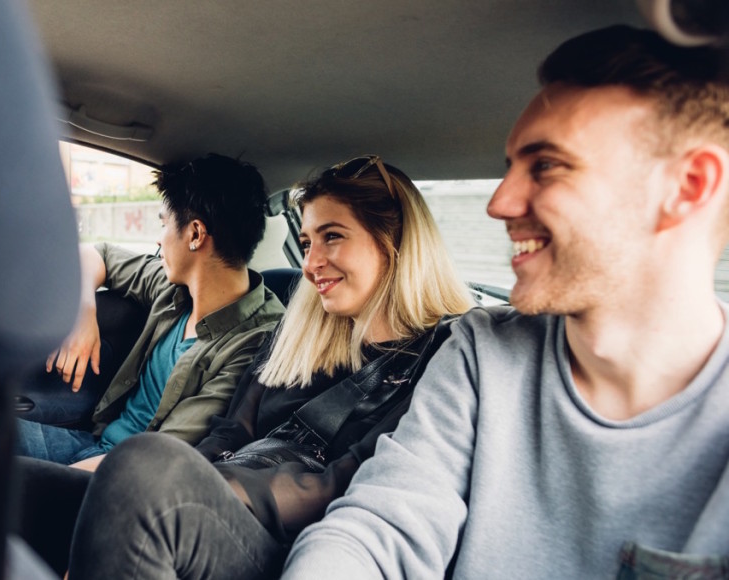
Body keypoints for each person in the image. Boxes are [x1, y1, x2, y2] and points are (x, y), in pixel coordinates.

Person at [283, 25, 729, 579]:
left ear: (688, 187)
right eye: (509, 168)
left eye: (545, 165)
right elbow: (382, 524)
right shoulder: (480, 352)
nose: (500, 202)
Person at [0, 155, 474, 578]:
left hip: (291, 542)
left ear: (395, 242)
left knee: (146, 468)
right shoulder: (298, 337)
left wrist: (206, 485)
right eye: (309, 240)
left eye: (332, 236)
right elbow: (232, 429)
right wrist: (194, 478)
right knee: (0, 481)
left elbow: (346, 482)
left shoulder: (443, 358)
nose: (311, 261)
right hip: (218, 495)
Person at [0, 153, 285, 476]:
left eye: (162, 223)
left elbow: (164, 456)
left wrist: (42, 482)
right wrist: (83, 310)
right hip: (90, 442)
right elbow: (97, 252)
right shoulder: (174, 288)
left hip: (119, 479)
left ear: (195, 234)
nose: (158, 238)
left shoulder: (254, 342)